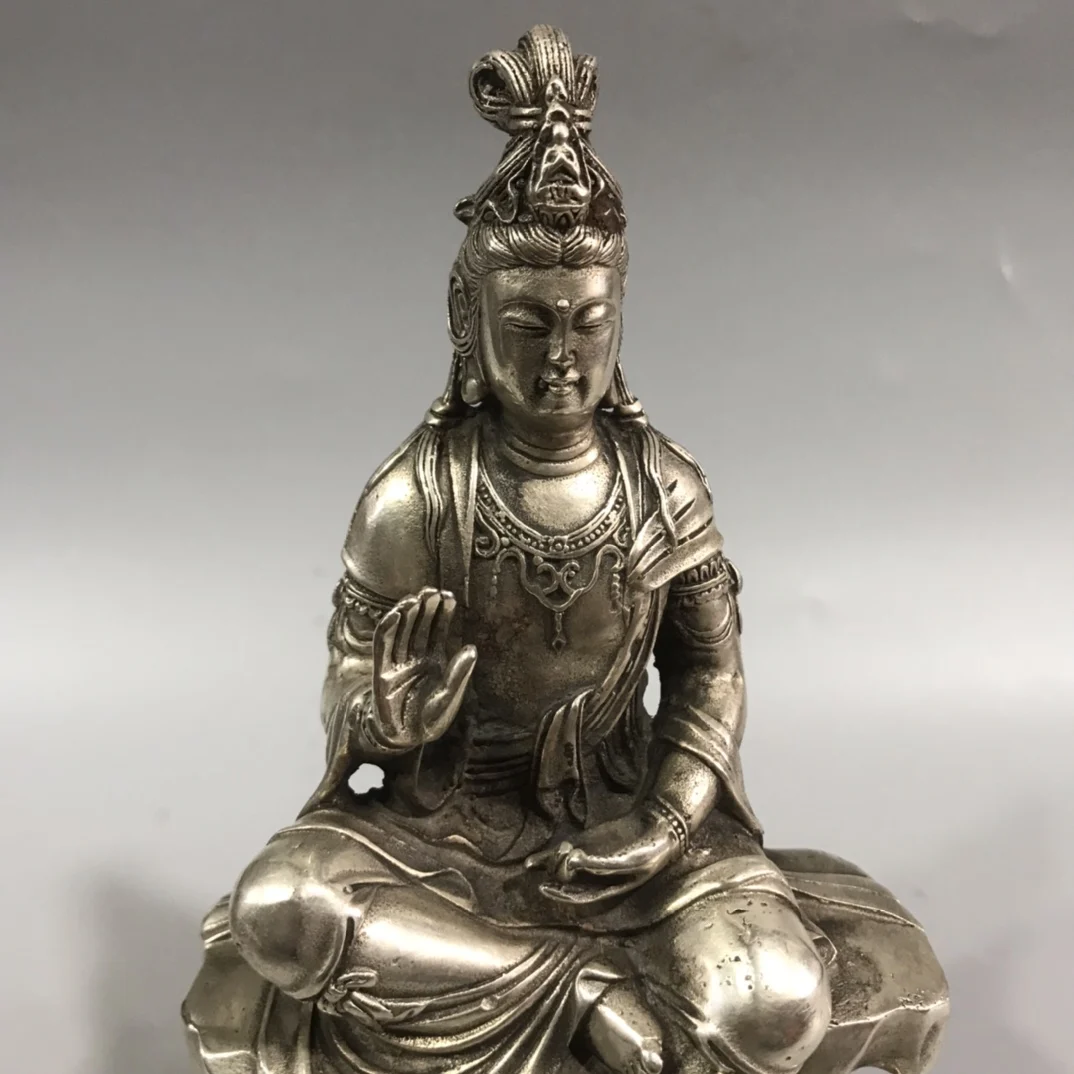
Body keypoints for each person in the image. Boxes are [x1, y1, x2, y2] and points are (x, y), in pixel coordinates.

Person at [185, 26, 948, 1074]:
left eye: (588, 322)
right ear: (469, 320)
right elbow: (349, 698)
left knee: (772, 1002)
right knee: (283, 905)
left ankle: (524, 983)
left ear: (620, 321)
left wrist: (667, 820)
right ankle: (582, 990)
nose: (562, 356)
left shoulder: (660, 486)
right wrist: (384, 724)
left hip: (624, 833)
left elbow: (710, 671)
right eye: (529, 324)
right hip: (444, 841)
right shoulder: (414, 501)